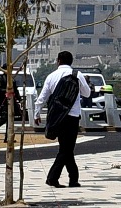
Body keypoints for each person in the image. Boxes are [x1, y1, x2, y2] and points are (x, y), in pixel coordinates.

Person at [35, 50, 91, 189]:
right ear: (71, 62)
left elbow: (42, 97)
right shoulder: (77, 75)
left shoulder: (51, 76)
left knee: (66, 148)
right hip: (72, 116)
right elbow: (87, 93)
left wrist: (37, 114)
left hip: (57, 116)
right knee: (67, 149)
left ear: (58, 61)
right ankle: (53, 178)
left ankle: (73, 179)